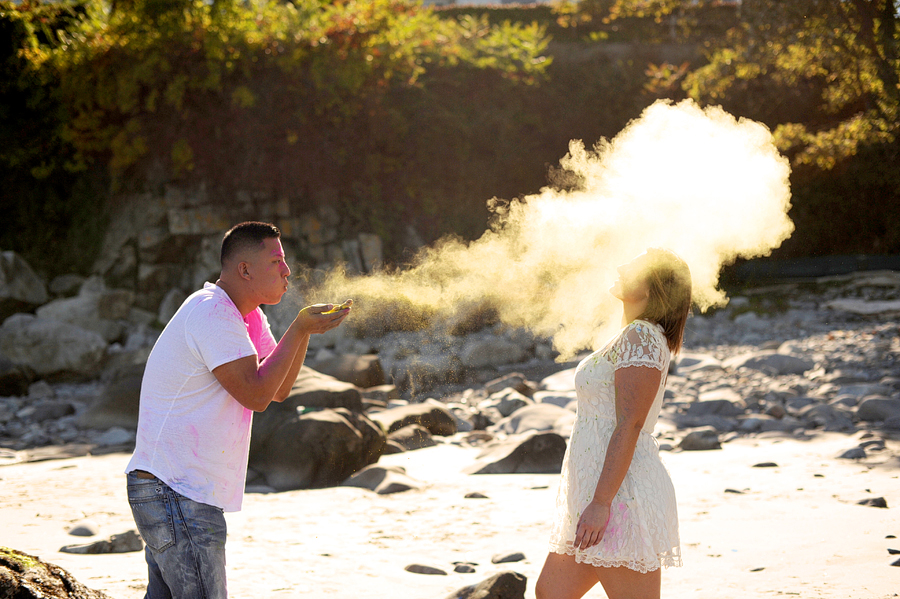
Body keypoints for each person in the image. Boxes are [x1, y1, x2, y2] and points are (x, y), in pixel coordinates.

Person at [125, 221, 350, 599]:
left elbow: (280, 390)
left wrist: (304, 333)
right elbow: (257, 396)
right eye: (276, 260)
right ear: (244, 269)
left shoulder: (248, 316)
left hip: (174, 491)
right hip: (176, 491)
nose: (287, 271)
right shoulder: (213, 312)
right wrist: (297, 328)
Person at [536, 248, 692, 599]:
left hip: (621, 496)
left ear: (652, 290)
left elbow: (630, 425)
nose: (621, 266)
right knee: (551, 592)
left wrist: (602, 503)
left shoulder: (642, 336)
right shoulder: (631, 336)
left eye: (634, 267)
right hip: (597, 490)